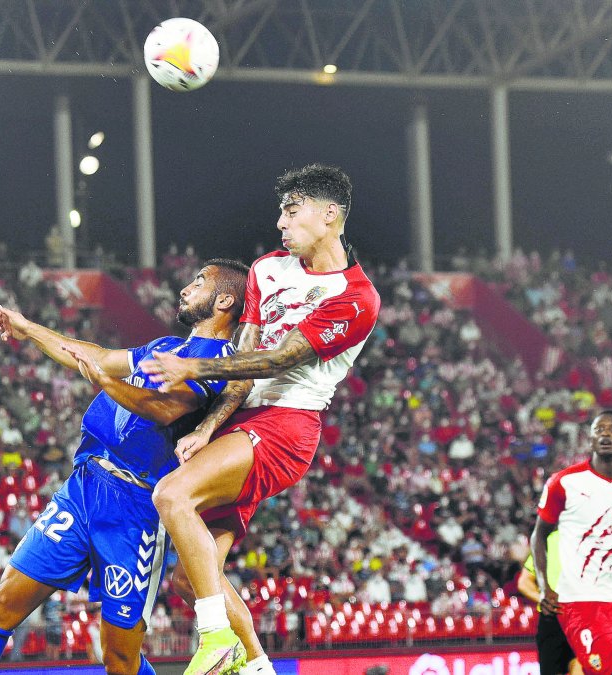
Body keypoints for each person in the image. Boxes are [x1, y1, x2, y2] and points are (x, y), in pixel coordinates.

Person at [0, 260, 250, 675]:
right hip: (84, 488)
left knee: (119, 658)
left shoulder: (216, 358)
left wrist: (105, 381)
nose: (185, 289)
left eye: (199, 282)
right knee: (0, 606)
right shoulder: (169, 347)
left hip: (136, 509)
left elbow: (166, 408)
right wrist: (29, 329)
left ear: (225, 299)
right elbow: (98, 356)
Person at [140, 164, 379, 675]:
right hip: (240, 424)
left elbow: (280, 360)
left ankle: (215, 641)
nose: (280, 223)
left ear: (331, 216)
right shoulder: (267, 268)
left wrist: (195, 365)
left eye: (292, 212)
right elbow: (247, 361)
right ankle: (257, 668)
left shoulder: (355, 297)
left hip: (286, 428)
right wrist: (206, 428)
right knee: (191, 576)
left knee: (171, 495)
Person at [532, 410, 612, 675]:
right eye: (599, 430)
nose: (606, 434)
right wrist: (544, 587)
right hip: (579, 601)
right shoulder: (565, 482)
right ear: (590, 440)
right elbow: (539, 534)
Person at [518, 530, 583, 675]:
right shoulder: (547, 541)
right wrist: (543, 598)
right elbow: (524, 582)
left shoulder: (591, 539)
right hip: (556, 618)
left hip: (579, 617)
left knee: (581, 667)